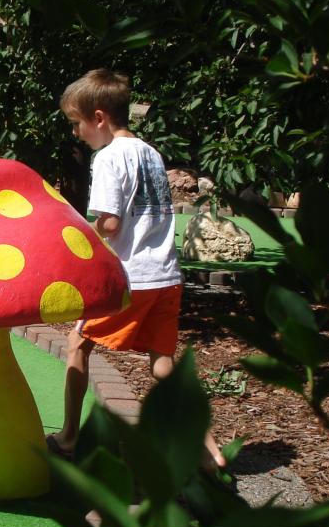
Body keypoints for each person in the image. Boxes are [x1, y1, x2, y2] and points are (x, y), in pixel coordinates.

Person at [48, 69, 225, 471]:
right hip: (166, 276)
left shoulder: (108, 157)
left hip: (132, 278)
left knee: (77, 344)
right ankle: (210, 449)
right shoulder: (150, 152)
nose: (76, 133)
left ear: (98, 118)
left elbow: (110, 223)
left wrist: (82, 243)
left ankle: (70, 437)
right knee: (163, 365)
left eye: (76, 124)